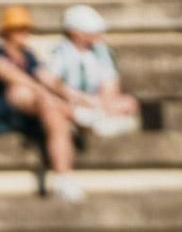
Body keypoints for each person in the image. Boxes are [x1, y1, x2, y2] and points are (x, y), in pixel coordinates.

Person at [0, 4, 86, 201]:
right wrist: (45, 92)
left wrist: (77, 97)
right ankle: (75, 118)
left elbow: (47, 78)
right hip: (3, 112)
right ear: (6, 31)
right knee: (35, 96)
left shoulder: (28, 56)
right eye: (18, 29)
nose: (24, 33)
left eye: (25, 28)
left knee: (55, 114)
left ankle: (63, 175)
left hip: (35, 109)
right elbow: (11, 76)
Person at [49, 5, 140, 137]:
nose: (95, 34)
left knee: (129, 103)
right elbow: (53, 83)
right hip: (72, 102)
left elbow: (110, 86)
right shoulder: (59, 51)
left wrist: (102, 104)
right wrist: (83, 100)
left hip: (97, 104)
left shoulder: (102, 51)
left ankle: (93, 121)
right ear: (75, 32)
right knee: (58, 107)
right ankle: (93, 122)